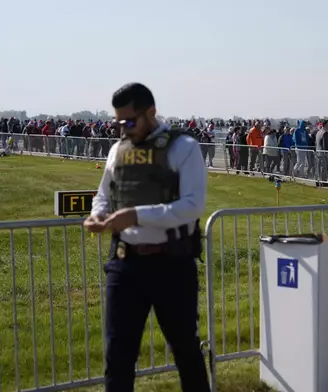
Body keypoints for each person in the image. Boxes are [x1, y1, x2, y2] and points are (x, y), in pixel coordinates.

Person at [84, 83, 210, 392]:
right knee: (118, 355)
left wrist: (137, 215)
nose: (123, 129)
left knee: (185, 351)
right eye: (118, 122)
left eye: (130, 121)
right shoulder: (118, 150)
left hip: (172, 263)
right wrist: (97, 215)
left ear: (151, 112)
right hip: (125, 263)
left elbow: (192, 206)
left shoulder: (184, 147)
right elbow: (103, 195)